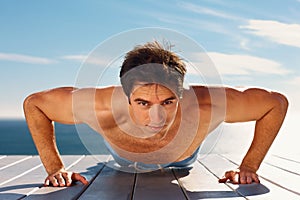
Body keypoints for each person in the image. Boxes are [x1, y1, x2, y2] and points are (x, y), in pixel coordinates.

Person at [23, 41, 288, 187]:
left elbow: (276, 103)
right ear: (126, 96)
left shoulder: (208, 104)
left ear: (182, 93)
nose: (157, 118)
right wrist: (55, 167)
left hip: (183, 160)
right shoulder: (97, 105)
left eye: (168, 101)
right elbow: (35, 104)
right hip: (123, 157)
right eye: (143, 104)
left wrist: (249, 166)